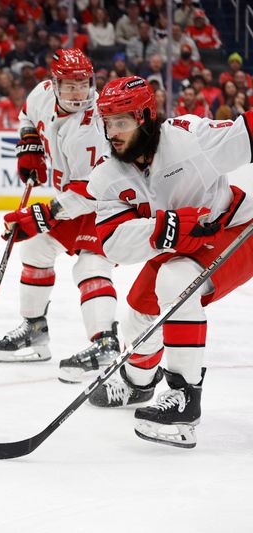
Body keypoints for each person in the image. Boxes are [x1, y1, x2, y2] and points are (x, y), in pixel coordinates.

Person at [85, 76, 253, 448]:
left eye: (122, 122)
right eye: (107, 122)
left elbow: (247, 133)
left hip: (235, 231)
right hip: (183, 244)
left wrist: (171, 230)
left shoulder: (191, 137)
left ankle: (184, 400)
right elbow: (113, 243)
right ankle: (138, 382)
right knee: (138, 316)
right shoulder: (108, 174)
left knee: (174, 283)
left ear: (146, 117)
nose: (112, 132)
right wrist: (167, 227)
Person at [0, 48, 119, 385]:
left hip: (107, 203)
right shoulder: (42, 95)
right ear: (54, 83)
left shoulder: (96, 124)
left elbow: (90, 191)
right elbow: (25, 116)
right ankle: (34, 330)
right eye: (70, 86)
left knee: (91, 265)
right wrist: (30, 143)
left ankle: (105, 344)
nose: (79, 92)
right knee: (35, 247)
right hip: (73, 198)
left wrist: (40, 215)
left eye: (84, 84)